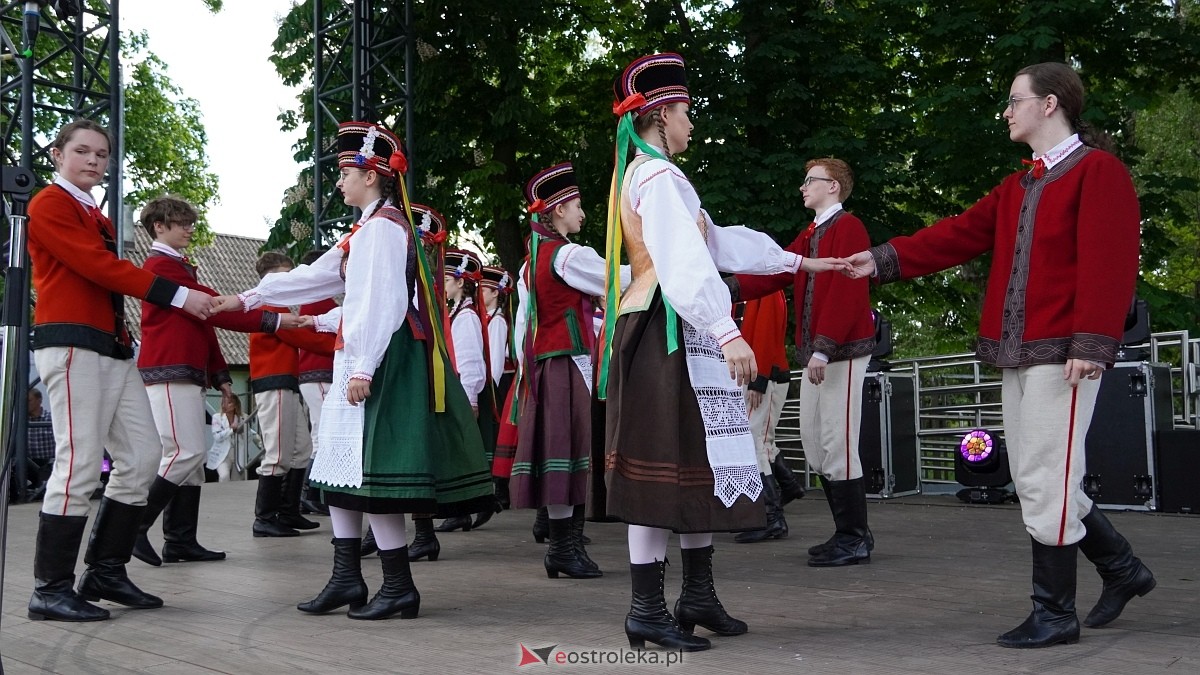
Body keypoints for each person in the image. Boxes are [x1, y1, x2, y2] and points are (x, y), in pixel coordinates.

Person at [843, 62, 1151, 648]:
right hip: (1020, 353)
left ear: (1050, 104)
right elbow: (958, 233)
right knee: (1046, 477)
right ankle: (1122, 569)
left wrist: (1091, 342)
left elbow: (1110, 262)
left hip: (1065, 353)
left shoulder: (1098, 172)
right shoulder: (1021, 184)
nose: (1006, 112)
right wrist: (881, 260)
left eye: (1015, 101)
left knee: (1044, 477)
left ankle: (1056, 613)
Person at [602, 54, 846, 651]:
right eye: (686, 113)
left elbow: (717, 240)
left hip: (675, 328)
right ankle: (646, 608)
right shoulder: (656, 178)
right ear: (660, 115)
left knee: (698, 462)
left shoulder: (661, 176)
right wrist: (726, 330)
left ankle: (698, 595)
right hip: (669, 328)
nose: (692, 125)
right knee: (663, 466)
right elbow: (684, 261)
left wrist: (799, 261)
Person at [212, 120, 494, 620]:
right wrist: (250, 298)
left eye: (345, 171)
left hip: (382, 360)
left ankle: (398, 586)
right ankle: (347, 578)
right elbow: (322, 281)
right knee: (339, 472)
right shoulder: (367, 228)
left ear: (371, 174)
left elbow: (383, 303)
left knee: (375, 480)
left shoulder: (384, 228)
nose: (338, 181)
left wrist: (363, 366)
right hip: (362, 357)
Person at [26, 119, 212, 622]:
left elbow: (105, 272)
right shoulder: (48, 204)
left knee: (143, 454)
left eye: (102, 155)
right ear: (58, 154)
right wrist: (178, 294)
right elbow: (96, 267)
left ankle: (105, 570)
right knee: (79, 463)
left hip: (110, 346)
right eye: (82, 151)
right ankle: (49, 588)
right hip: (71, 342)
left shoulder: (93, 212)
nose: (93, 161)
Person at [131, 195, 304, 567]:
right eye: (181, 222)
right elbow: (213, 308)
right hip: (169, 369)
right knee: (185, 453)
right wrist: (272, 320)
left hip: (183, 370)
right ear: (158, 227)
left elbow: (204, 325)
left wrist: (223, 380)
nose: (190, 228)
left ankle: (180, 541)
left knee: (190, 462)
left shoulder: (179, 266)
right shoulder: (162, 265)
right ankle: (132, 528)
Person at [733, 158, 876, 566]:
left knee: (838, 442)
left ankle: (854, 537)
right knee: (815, 443)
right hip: (820, 354)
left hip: (841, 352)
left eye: (810, 180)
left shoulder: (847, 226)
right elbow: (779, 269)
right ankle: (847, 534)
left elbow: (848, 293)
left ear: (833, 186)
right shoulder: (812, 232)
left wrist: (824, 347)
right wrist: (731, 285)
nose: (802, 187)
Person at [510, 162, 630, 580]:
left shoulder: (533, 259)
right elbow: (620, 279)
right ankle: (564, 548)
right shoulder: (569, 254)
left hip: (546, 364)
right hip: (568, 362)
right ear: (558, 210)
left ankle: (565, 547)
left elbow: (524, 323)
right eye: (578, 206)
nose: (583, 214)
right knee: (572, 451)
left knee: (566, 453)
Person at [244, 251, 333, 537]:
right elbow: (299, 337)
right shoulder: (270, 307)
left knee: (301, 448)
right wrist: (340, 344)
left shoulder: (278, 306)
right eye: (286, 275)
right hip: (273, 381)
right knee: (279, 452)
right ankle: (265, 518)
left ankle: (288, 511)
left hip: (287, 381)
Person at [434, 249, 493, 533]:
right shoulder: (456, 313)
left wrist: (469, 397)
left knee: (464, 453)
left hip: (462, 392)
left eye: (446, 279)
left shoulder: (465, 316)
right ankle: (463, 511)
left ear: (460, 282)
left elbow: (471, 361)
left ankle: (476, 505)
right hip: (456, 391)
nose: (442, 285)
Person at [728, 291, 792, 544]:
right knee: (761, 443)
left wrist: (759, 379)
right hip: (758, 373)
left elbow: (765, 335)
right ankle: (786, 490)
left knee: (754, 445)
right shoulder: (758, 287)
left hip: (761, 375)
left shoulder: (766, 289)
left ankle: (771, 517)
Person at [293, 249, 340, 517]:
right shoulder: (317, 302)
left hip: (316, 375)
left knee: (321, 432)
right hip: (319, 373)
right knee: (324, 433)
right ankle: (310, 495)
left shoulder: (316, 301)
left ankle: (309, 495)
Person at [478, 263, 517, 515]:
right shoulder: (486, 318)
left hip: (497, 386)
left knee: (498, 438)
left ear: (495, 293)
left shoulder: (499, 320)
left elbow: (492, 360)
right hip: (492, 385)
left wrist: (488, 392)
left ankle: (501, 491)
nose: (480, 292)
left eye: (484, 289)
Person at [25, 388, 56, 499]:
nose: (25, 404)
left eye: (29, 400)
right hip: (29, 465)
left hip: (50, 464)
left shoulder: (52, 419)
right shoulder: (20, 421)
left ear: (39, 400)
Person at [207, 395, 244, 482]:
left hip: (238, 454)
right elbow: (217, 436)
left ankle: (234, 496)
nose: (225, 405)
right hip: (222, 454)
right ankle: (222, 494)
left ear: (235, 405)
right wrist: (231, 430)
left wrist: (242, 431)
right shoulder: (217, 417)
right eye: (223, 402)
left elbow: (248, 436)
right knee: (224, 476)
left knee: (237, 480)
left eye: (229, 403)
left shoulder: (241, 418)